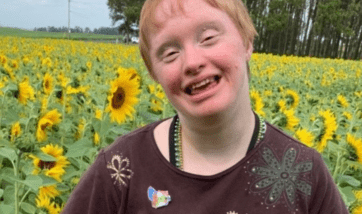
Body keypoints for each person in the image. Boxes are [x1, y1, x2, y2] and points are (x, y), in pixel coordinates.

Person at [62, 0, 349, 213]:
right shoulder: (121, 169)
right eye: (170, 52)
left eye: (209, 38)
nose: (192, 62)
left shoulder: (304, 174)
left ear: (247, 40)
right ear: (154, 74)